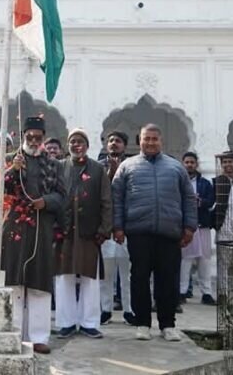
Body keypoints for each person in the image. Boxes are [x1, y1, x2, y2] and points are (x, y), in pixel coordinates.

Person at [112, 124, 196, 343]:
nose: (150, 142)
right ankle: (142, 323)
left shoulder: (176, 167)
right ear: (139, 140)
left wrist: (189, 227)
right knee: (139, 278)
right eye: (146, 139)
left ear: (161, 141)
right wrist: (118, 227)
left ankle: (167, 325)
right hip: (139, 232)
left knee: (167, 280)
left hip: (169, 233)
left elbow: (188, 198)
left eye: (154, 139)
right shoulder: (127, 166)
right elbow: (117, 199)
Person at [2, 116, 66, 355]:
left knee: (39, 282)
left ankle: (39, 337)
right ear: (23, 136)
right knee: (16, 282)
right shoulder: (11, 160)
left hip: (42, 225)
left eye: (38, 137)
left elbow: (62, 196)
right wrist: (13, 170)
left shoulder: (55, 164)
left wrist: (45, 202)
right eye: (29, 136)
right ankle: (15, 334)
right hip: (16, 227)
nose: (33, 140)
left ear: (42, 138)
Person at [55, 129, 112, 339]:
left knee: (90, 276)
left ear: (87, 145)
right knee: (63, 277)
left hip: (90, 232)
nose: (76, 145)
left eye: (80, 142)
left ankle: (89, 323)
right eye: (72, 142)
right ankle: (67, 322)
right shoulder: (59, 167)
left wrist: (105, 229)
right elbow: (53, 196)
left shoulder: (97, 170)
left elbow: (106, 201)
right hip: (64, 231)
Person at [98, 131, 133, 326]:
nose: (113, 144)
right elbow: (101, 191)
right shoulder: (98, 166)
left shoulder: (133, 165)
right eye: (110, 141)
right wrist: (111, 172)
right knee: (106, 274)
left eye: (118, 141)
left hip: (127, 226)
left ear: (125, 145)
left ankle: (129, 310)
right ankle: (105, 310)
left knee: (127, 273)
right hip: (106, 227)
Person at [179, 152, 216, 306]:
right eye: (187, 162)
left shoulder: (205, 183)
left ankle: (206, 293)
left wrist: (199, 201)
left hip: (203, 226)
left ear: (196, 164)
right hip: (186, 227)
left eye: (192, 162)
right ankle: (181, 292)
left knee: (204, 261)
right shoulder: (178, 181)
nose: (189, 165)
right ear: (183, 164)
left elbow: (211, 201)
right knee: (185, 262)